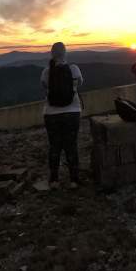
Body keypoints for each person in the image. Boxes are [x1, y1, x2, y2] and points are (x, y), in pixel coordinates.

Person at [40, 42, 84, 190]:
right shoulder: (74, 69)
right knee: (71, 145)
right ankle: (74, 180)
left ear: (52, 54)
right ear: (65, 53)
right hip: (72, 111)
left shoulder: (46, 71)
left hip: (51, 114)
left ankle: (54, 180)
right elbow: (80, 84)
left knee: (55, 146)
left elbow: (44, 88)